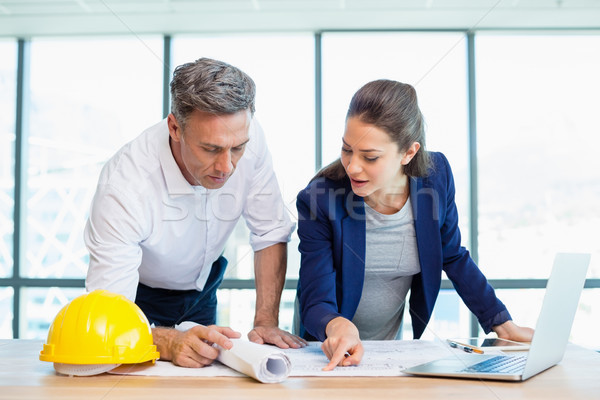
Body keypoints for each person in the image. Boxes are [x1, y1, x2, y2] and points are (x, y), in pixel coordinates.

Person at [295, 79, 534, 371]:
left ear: (409, 153)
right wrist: (336, 325)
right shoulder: (319, 199)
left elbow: (452, 255)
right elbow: (315, 296)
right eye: (347, 150)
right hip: (325, 352)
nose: (352, 166)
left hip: (389, 352)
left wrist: (501, 323)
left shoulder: (437, 176)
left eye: (370, 157)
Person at [85, 57, 305, 368]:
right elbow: (108, 315)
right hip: (139, 298)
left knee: (201, 379)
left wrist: (265, 321)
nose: (227, 166)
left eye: (237, 148)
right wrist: (167, 341)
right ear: (174, 127)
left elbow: (269, 231)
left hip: (205, 285)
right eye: (211, 149)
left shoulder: (249, 137)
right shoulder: (124, 185)